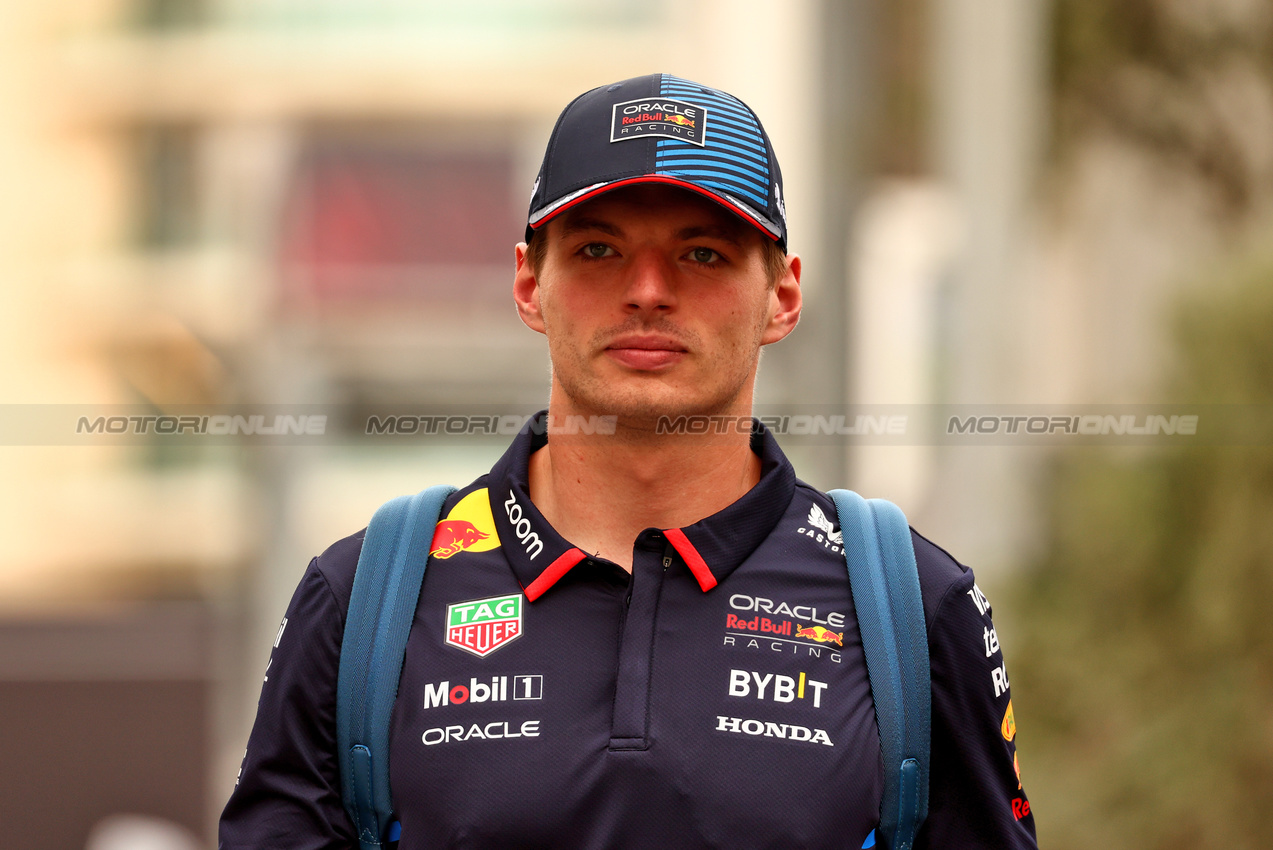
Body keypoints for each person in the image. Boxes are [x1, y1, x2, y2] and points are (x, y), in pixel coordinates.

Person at [219, 73, 1037, 850]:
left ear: (782, 295)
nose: (647, 289)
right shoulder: (364, 599)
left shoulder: (912, 607)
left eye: (703, 254)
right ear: (528, 283)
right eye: (599, 250)